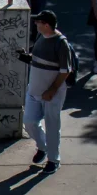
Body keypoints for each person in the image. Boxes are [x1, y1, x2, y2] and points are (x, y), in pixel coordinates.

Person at [17, 10, 71, 174]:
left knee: (52, 126)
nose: (35, 24)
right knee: (30, 122)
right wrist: (27, 57)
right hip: (33, 90)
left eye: (38, 22)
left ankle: (54, 160)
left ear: (46, 25)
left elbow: (65, 71)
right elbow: (38, 58)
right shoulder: (42, 37)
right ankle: (43, 147)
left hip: (51, 94)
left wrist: (52, 89)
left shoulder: (61, 43)